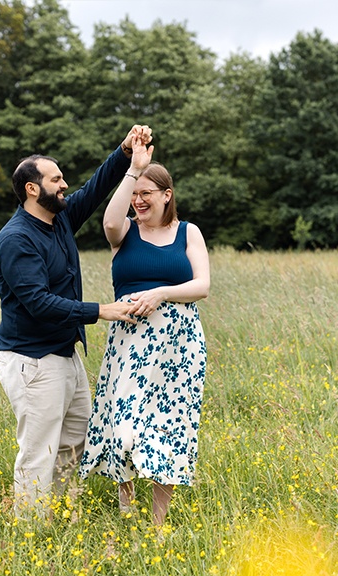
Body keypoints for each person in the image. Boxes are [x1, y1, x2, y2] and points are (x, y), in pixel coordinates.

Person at [0, 125, 153, 514]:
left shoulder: (60, 219)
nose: (64, 185)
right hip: (32, 360)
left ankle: (60, 517)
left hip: (65, 354)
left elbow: (95, 189)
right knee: (39, 452)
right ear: (32, 189)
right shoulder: (16, 239)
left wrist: (125, 151)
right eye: (56, 179)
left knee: (74, 441)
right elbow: (38, 303)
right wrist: (101, 310)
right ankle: (30, 530)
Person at [79, 133, 210, 526]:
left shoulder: (188, 232)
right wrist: (133, 170)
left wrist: (162, 293)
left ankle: (158, 523)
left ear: (167, 195)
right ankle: (126, 508)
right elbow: (109, 220)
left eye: (146, 193)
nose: (138, 200)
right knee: (124, 426)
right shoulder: (124, 233)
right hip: (130, 344)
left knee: (169, 428)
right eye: (135, 193)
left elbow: (202, 285)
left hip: (179, 344)